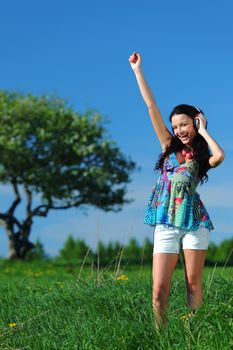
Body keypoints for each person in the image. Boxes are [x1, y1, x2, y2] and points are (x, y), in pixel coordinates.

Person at [129, 51, 225, 328]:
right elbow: (151, 107)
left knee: (193, 285)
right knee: (159, 289)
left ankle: (193, 336)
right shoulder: (167, 147)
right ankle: (162, 339)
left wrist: (204, 131)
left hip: (194, 222)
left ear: (194, 122)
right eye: (175, 126)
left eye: (184, 124)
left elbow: (219, 156)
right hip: (165, 222)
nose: (179, 130)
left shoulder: (201, 158)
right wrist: (138, 71)